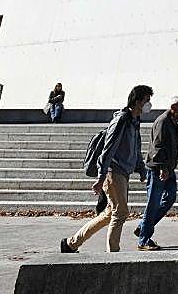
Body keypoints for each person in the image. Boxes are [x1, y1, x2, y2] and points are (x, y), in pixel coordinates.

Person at [61, 84, 152, 254]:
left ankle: (71, 243)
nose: (149, 104)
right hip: (113, 171)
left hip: (123, 172)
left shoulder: (135, 121)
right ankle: (113, 255)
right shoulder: (121, 120)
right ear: (137, 101)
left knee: (110, 213)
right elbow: (108, 149)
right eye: (146, 100)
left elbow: (136, 148)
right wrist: (101, 177)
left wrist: (141, 169)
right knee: (121, 212)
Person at [135, 95, 178, 250]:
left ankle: (143, 227)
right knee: (153, 203)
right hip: (158, 168)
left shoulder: (172, 121)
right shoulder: (163, 121)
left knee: (170, 198)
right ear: (173, 107)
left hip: (168, 168)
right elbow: (158, 146)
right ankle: (143, 239)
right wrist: (163, 167)